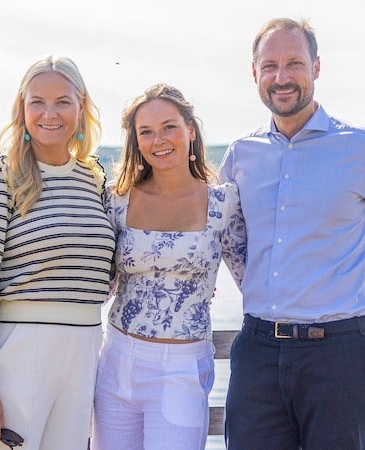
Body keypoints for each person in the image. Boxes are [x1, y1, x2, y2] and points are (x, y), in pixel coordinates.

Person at [219, 17, 365, 449]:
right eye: (270, 66)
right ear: (255, 73)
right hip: (255, 352)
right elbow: (223, 242)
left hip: (339, 357)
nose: (282, 77)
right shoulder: (240, 155)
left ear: (316, 68)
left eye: (294, 63)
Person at [0, 55, 115, 450]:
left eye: (62, 101)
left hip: (83, 354)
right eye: (37, 102)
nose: (49, 113)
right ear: (22, 109)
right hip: (17, 356)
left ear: (81, 108)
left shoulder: (94, 180)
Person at [91, 83, 247, 450]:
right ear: (136, 141)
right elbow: (98, 283)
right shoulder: (117, 198)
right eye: (145, 131)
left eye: (168, 127)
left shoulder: (223, 202)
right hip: (114, 360)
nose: (158, 139)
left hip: (180, 368)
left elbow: (253, 281)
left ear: (190, 130)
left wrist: (333, 290)